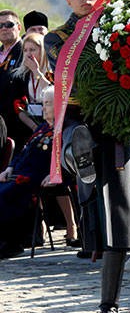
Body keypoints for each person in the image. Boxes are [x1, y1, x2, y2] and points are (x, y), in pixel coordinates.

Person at [46, 0, 130, 313]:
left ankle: (109, 303)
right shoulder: (57, 39)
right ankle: (77, 157)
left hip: (114, 120)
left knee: (118, 213)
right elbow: (83, 71)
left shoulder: (119, 29)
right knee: (75, 135)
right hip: (78, 112)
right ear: (67, 0)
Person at [0, 86, 55, 259]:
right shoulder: (42, 128)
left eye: (47, 104)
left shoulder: (61, 130)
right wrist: (9, 168)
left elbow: (60, 159)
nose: (43, 108)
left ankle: (11, 243)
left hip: (36, 176)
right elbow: (24, 151)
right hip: (20, 173)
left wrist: (53, 174)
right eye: (43, 103)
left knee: (4, 195)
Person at [11, 33, 52, 149]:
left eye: (33, 50)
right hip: (28, 126)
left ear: (43, 51)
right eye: (25, 50)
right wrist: (35, 128)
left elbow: (52, 92)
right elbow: (18, 107)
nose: (28, 54)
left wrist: (36, 71)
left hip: (50, 123)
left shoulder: (52, 72)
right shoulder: (20, 76)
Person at [0, 10, 23, 148]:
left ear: (19, 27)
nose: (3, 28)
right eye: (0, 25)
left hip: (17, 125)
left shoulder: (27, 51)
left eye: (8, 24)